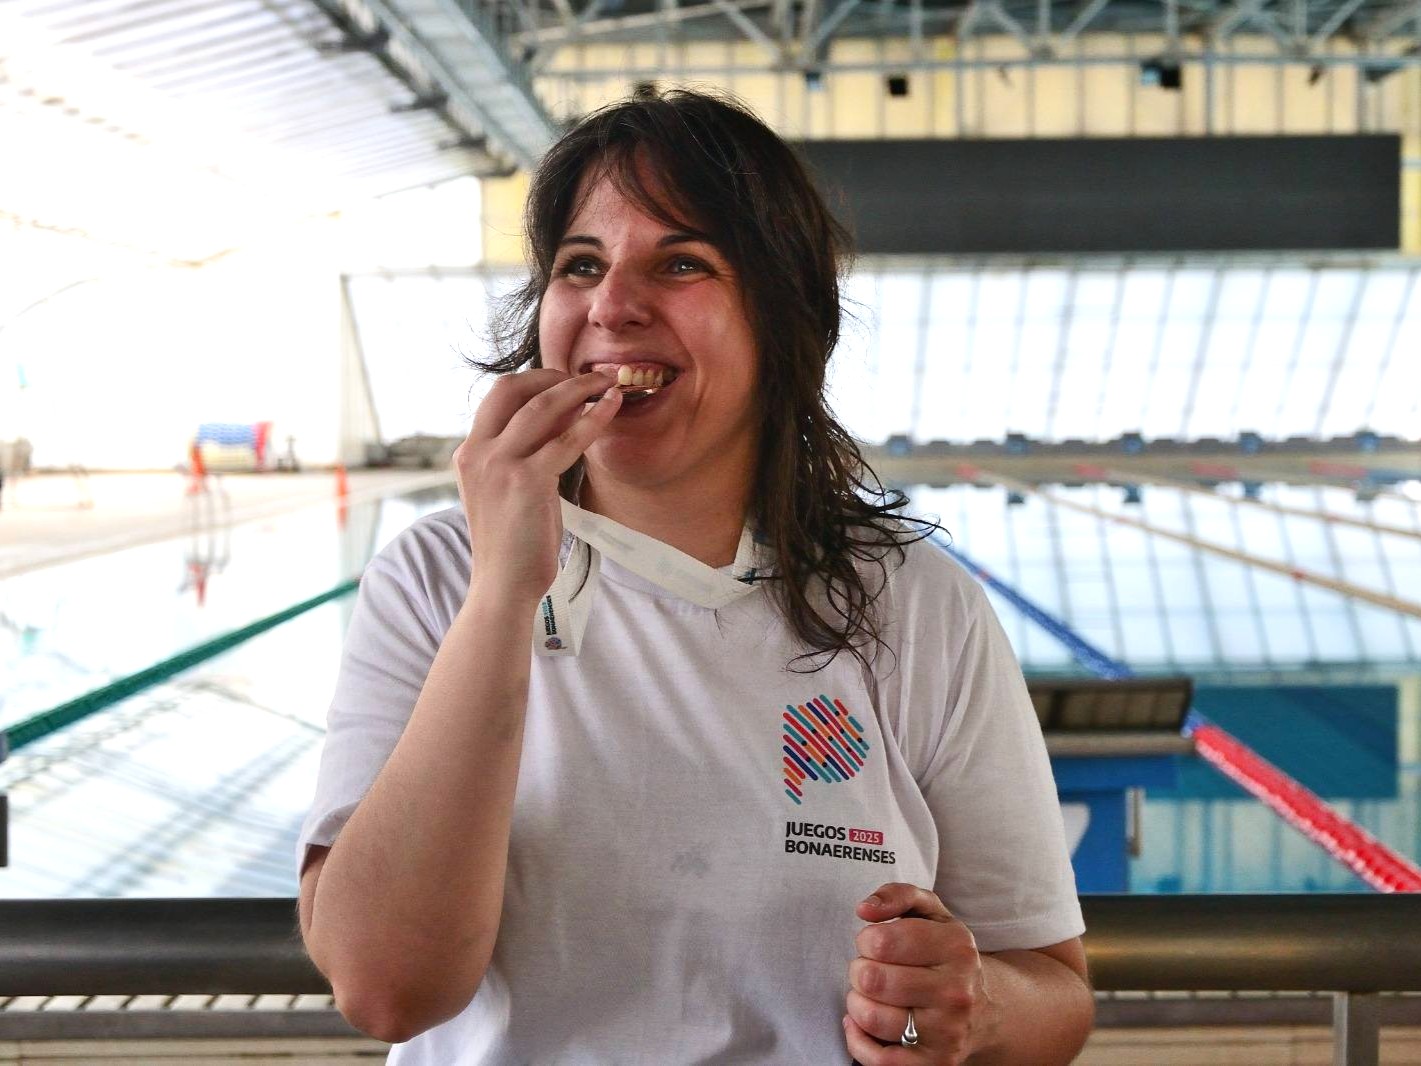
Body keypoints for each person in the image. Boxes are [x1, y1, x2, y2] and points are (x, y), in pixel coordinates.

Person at [296, 88, 1093, 1065]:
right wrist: (502, 588)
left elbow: (1051, 990)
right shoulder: (435, 579)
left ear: (781, 317)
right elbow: (385, 988)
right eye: (580, 265)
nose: (611, 305)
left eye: (679, 263)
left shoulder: (912, 604)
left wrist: (970, 1010)